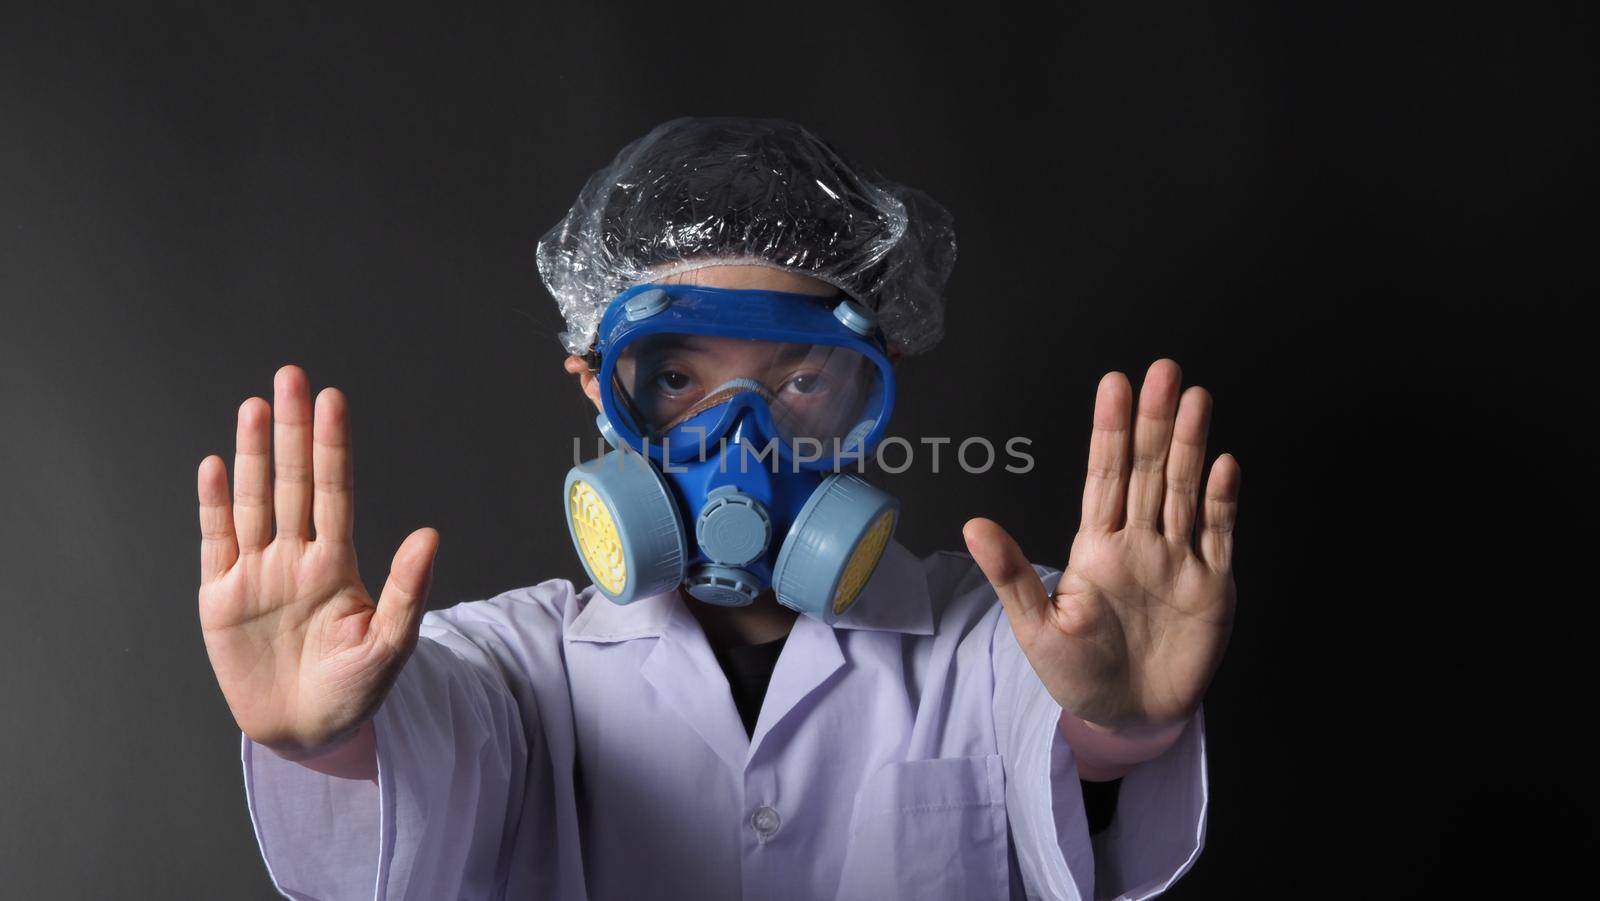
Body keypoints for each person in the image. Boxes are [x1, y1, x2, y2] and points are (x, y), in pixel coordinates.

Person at [196, 116, 1240, 900]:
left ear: (865, 399)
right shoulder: (517, 666)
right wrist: (321, 740)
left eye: (798, 383)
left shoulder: (994, 637)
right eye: (678, 380)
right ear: (599, 393)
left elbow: (1057, 731)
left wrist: (1119, 728)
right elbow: (425, 749)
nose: (738, 440)